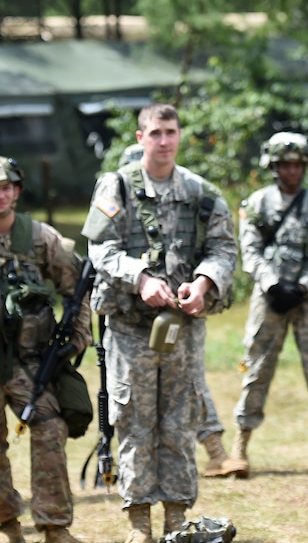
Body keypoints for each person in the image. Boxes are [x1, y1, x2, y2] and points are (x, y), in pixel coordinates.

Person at [83, 103, 237, 543]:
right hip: (131, 329)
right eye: (155, 133)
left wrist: (204, 283)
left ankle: (176, 518)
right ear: (140, 138)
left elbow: (224, 249)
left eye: (170, 132)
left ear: (179, 135)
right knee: (133, 421)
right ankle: (138, 522)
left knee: (179, 421)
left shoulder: (200, 192)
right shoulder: (116, 187)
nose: (164, 141)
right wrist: (140, 278)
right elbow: (100, 248)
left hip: (182, 329)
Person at [0, 156, 91, 543]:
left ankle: (54, 525)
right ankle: (7, 524)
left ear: (16, 191)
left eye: (6, 188)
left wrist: (74, 339)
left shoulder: (40, 237)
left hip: (31, 360)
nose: (0, 196)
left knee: (51, 427)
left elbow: (77, 288)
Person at [224, 131, 308, 477]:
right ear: (273, 166)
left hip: (307, 300)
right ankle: (240, 447)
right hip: (269, 301)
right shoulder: (257, 205)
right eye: (285, 165)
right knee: (257, 369)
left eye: (297, 165)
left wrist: (304, 286)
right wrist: (272, 284)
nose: (292, 171)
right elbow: (249, 251)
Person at [113, 142, 233, 477]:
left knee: (188, 391)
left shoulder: (193, 194)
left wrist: (201, 283)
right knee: (133, 403)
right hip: (131, 318)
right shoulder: (117, 198)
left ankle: (214, 451)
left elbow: (220, 248)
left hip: (177, 316)